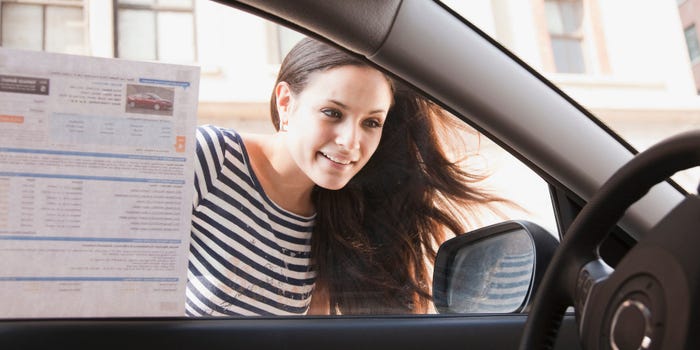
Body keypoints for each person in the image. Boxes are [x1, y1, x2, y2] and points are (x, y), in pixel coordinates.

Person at [186, 37, 505, 316]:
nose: (351, 142)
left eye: (371, 123)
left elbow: (309, 338)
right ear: (286, 103)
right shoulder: (211, 158)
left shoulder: (336, 221)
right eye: (333, 113)